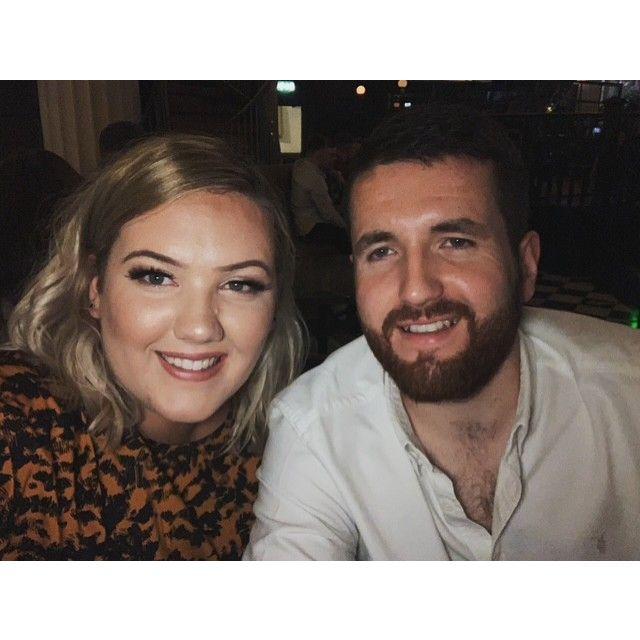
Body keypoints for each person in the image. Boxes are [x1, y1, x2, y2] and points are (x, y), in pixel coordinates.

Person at [245, 106, 640, 560]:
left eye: (455, 243)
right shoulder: (314, 427)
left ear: (526, 266)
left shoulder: (627, 394)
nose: (415, 289)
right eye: (382, 251)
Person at [0, 134, 305, 559]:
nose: (199, 327)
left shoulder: (302, 448)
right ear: (94, 288)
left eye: (240, 284)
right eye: (156, 277)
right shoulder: (19, 429)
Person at [290, 133, 349, 252]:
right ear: (320, 152)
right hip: (310, 228)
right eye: (330, 154)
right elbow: (328, 213)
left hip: (304, 225)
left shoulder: (302, 167)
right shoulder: (311, 175)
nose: (333, 159)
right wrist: (347, 228)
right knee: (349, 238)